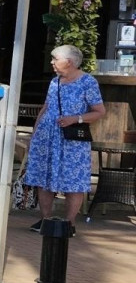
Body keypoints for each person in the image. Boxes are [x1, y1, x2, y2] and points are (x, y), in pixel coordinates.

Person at [24, 44, 106, 236]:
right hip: (47, 136)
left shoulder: (88, 82)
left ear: (68, 62)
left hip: (71, 139)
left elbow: (99, 112)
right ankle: (46, 220)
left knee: (73, 180)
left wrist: (75, 119)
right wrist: (34, 134)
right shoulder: (55, 82)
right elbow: (45, 107)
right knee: (44, 178)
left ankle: (69, 224)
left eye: (55, 59)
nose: (51, 62)